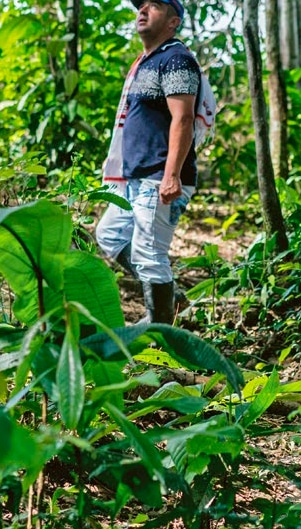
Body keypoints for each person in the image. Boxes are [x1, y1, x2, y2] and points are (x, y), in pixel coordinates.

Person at [95, 0, 199, 324]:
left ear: (173, 22)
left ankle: (160, 335)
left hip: (158, 177)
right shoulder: (145, 62)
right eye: (141, 6)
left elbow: (182, 119)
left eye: (153, 6)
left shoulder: (176, 59)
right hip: (134, 177)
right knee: (109, 235)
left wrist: (172, 175)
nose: (142, 11)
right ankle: (169, 297)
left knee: (149, 254)